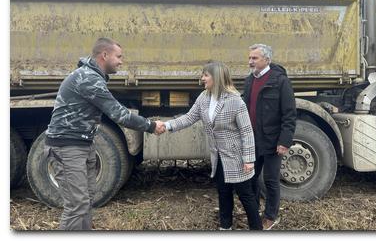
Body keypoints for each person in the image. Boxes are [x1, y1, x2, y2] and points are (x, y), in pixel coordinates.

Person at [44, 37, 166, 230]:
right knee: (77, 206)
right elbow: (120, 114)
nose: (121, 61)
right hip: (67, 147)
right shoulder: (88, 79)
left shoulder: (93, 77)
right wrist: (151, 125)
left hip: (83, 144)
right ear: (104, 55)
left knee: (86, 201)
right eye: (118, 56)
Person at [163, 61, 262, 230]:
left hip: (237, 158)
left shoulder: (235, 101)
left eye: (206, 75)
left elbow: (247, 132)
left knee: (246, 196)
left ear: (217, 77)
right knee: (223, 193)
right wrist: (167, 125)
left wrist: (249, 159)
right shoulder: (204, 97)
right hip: (219, 157)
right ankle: (225, 227)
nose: (202, 78)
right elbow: (189, 117)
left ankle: (257, 229)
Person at [243, 44, 297, 230]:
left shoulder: (280, 81)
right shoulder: (249, 80)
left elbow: (289, 114)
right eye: (250, 58)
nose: (250, 61)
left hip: (273, 140)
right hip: (252, 139)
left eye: (254, 58)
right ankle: (254, 211)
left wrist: (284, 141)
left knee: (271, 180)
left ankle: (271, 216)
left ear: (267, 60)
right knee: (250, 178)